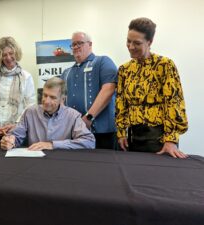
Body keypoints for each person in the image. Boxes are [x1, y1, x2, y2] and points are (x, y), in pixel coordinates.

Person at [115, 17, 188, 158]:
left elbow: (174, 102)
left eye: (137, 43)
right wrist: (121, 132)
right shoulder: (124, 69)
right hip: (133, 137)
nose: (130, 46)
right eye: (128, 41)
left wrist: (171, 140)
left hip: (159, 138)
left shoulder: (165, 65)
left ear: (150, 42)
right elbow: (121, 102)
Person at [0, 77, 95, 150]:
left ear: (62, 99)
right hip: (33, 165)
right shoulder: (30, 112)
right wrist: (9, 140)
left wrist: (53, 145)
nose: (46, 101)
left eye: (52, 97)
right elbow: (16, 136)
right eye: (45, 95)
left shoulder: (73, 116)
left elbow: (89, 142)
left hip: (63, 164)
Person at [61, 31, 118, 149]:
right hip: (75, 134)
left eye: (79, 43)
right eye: (73, 45)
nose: (76, 47)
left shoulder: (103, 62)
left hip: (103, 133)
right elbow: (61, 100)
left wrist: (89, 117)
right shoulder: (66, 72)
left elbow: (109, 89)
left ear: (90, 44)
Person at [0, 37, 36, 145]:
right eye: (4, 55)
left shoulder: (26, 76)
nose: (8, 57)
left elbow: (30, 105)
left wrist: (16, 124)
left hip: (16, 130)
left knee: (14, 161)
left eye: (11, 53)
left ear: (16, 53)